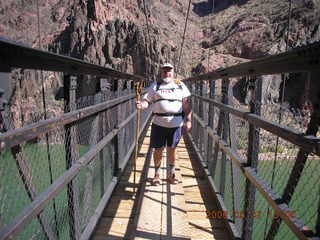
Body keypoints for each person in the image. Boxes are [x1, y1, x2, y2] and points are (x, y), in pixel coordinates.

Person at [136, 63, 192, 185]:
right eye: (164, 71)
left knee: (172, 149)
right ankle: (156, 175)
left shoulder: (181, 86)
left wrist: (188, 120)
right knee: (158, 150)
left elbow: (187, 105)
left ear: (173, 72)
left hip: (176, 124)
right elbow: (147, 101)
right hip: (158, 124)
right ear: (161, 73)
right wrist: (142, 105)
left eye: (169, 70)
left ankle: (171, 174)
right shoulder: (155, 86)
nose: (167, 73)